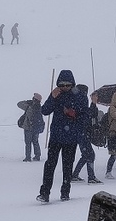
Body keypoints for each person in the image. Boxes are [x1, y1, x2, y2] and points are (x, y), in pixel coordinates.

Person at [36, 69, 86, 202]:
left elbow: (84, 115)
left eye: (67, 85)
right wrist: (52, 97)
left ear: (72, 84)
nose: (64, 87)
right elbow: (45, 111)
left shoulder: (79, 95)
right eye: (61, 85)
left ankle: (65, 192)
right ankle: (45, 193)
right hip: (56, 136)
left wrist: (72, 113)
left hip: (71, 137)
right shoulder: (56, 94)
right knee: (50, 164)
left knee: (67, 165)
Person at [70, 85, 103, 183]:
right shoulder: (80, 103)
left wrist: (93, 103)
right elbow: (89, 114)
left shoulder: (75, 102)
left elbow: (90, 114)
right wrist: (93, 103)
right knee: (90, 155)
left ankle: (75, 175)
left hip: (80, 134)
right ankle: (91, 177)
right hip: (82, 134)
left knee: (85, 155)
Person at [17, 92, 44, 162]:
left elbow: (19, 104)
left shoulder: (29, 107)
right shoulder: (40, 108)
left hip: (28, 128)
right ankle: (37, 156)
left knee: (28, 143)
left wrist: (26, 102)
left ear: (34, 99)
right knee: (35, 142)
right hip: (36, 128)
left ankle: (28, 157)